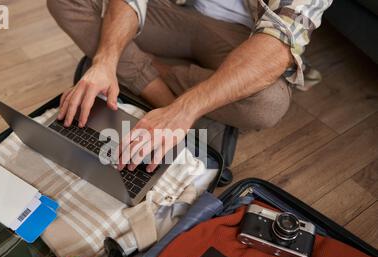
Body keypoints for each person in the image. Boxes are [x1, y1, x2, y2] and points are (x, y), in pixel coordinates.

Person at [47, 0, 332, 173]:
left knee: (268, 103)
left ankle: (147, 67)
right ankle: (145, 77)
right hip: (175, 13)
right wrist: (105, 60)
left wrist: (181, 111)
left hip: (243, 37)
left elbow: (276, 47)